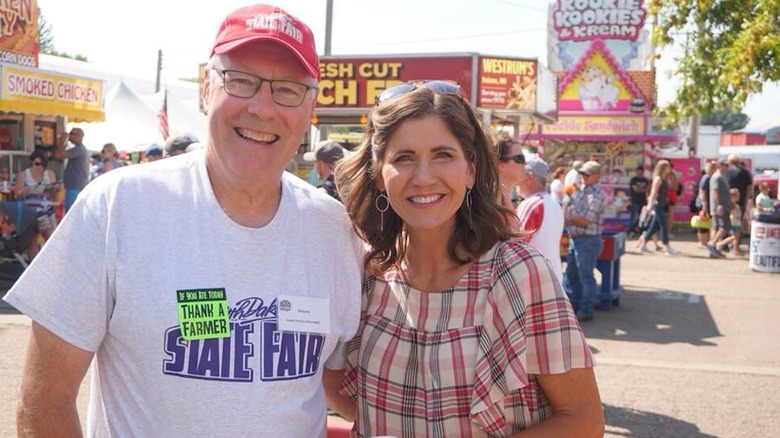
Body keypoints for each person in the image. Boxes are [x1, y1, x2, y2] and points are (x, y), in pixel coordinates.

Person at [3, 4, 362, 436]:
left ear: (310, 107)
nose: (262, 108)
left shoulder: (334, 231)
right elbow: (45, 403)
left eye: (287, 89)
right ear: (206, 88)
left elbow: (336, 385)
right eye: (242, 81)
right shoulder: (118, 208)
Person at [328, 80, 604, 437]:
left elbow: (583, 421)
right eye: (404, 158)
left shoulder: (518, 273)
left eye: (443, 155)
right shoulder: (367, 271)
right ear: (380, 174)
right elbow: (338, 385)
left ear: (471, 169)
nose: (424, 178)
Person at [564, 161, 608, 322]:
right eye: (582, 173)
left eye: (586, 174)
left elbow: (585, 220)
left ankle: (585, 310)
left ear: (596, 177)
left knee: (585, 277)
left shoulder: (597, 195)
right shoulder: (583, 191)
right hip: (577, 239)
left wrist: (568, 218)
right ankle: (576, 308)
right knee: (572, 275)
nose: (582, 177)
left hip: (587, 240)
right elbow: (577, 214)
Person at [516, 155, 565, 282]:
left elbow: (515, 244)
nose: (517, 179)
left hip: (535, 280)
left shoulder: (532, 204)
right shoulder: (554, 204)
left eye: (520, 173)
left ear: (529, 177)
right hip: (551, 277)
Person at [12, 150, 61, 260]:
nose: (39, 167)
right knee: (39, 239)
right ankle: (35, 266)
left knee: (51, 239)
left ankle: (47, 263)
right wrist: (26, 191)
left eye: (42, 164)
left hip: (47, 210)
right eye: (36, 164)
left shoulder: (50, 174)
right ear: (32, 162)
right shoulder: (24, 175)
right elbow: (16, 196)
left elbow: (54, 194)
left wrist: (52, 190)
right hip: (34, 213)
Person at [636, 160, 680, 255]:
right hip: (657, 204)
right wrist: (649, 206)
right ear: (663, 168)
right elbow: (653, 193)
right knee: (663, 225)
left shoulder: (664, 178)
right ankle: (667, 246)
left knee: (654, 226)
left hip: (662, 204)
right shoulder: (658, 179)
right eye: (668, 166)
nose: (670, 169)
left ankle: (643, 244)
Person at [54, 127, 89, 212]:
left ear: (79, 136)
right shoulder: (79, 149)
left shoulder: (79, 149)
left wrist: (62, 141)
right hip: (75, 186)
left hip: (74, 187)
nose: (69, 136)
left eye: (72, 134)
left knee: (70, 213)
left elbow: (58, 155)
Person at [725, 154, 753, 251]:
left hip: (727, 200)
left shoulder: (726, 172)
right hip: (740, 200)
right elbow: (749, 187)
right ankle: (736, 245)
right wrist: (745, 198)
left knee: (727, 221)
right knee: (737, 222)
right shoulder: (745, 172)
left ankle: (726, 244)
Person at [707, 159, 732, 258]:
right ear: (720, 166)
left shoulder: (722, 177)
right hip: (719, 207)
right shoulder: (717, 177)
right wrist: (719, 205)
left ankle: (714, 250)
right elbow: (715, 191)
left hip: (722, 206)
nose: (727, 167)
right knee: (724, 227)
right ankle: (712, 243)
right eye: (726, 165)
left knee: (717, 227)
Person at [715, 188, 743, 256]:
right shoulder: (731, 204)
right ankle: (734, 250)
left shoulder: (735, 204)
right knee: (735, 237)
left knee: (735, 237)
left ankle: (724, 245)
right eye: (737, 196)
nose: (738, 197)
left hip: (737, 222)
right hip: (734, 223)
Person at [628, 165, 649, 238]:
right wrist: (643, 189)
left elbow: (648, 188)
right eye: (637, 172)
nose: (638, 173)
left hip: (643, 201)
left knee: (642, 217)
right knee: (635, 217)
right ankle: (631, 231)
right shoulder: (634, 180)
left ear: (642, 172)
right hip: (635, 201)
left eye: (640, 172)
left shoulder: (645, 180)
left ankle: (641, 231)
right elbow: (636, 189)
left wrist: (642, 189)